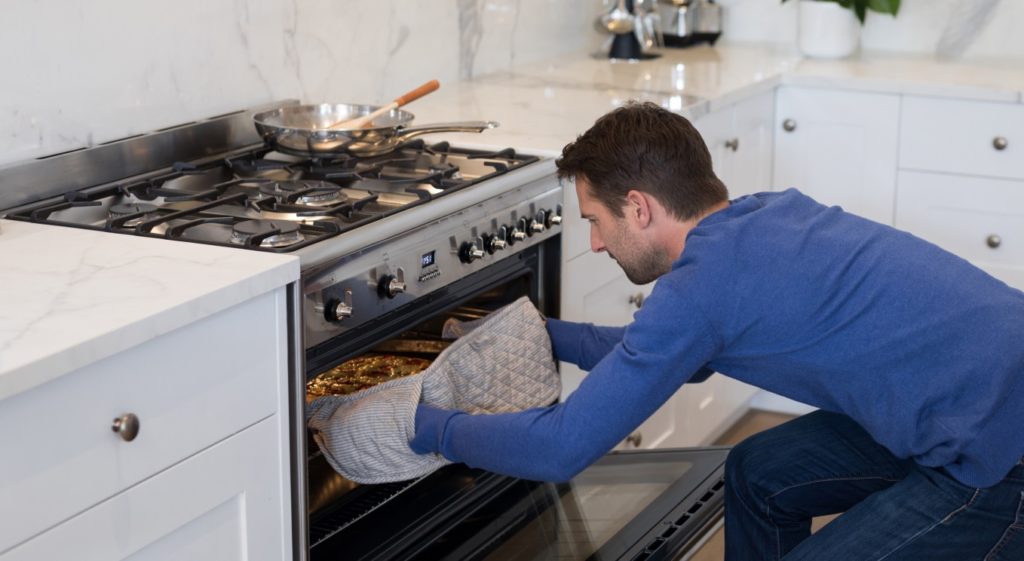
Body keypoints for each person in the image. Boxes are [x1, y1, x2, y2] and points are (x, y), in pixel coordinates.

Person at [409, 101, 1024, 560]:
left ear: (640, 206)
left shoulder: (701, 291)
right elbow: (663, 352)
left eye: (596, 220)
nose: (594, 243)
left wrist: (419, 426)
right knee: (759, 473)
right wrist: (536, 333)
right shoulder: (762, 216)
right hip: (974, 403)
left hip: (998, 459)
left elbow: (560, 447)